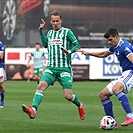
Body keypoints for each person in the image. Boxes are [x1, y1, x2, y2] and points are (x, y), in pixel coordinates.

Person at [22, 10, 86, 120]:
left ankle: (80, 105)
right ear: (50, 21)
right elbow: (46, 44)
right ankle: (33, 110)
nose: (55, 23)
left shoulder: (67, 32)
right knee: (40, 86)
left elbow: (77, 45)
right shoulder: (50, 33)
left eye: (57, 21)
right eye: (53, 21)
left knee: (68, 96)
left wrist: (69, 51)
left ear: (61, 20)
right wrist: (41, 31)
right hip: (51, 67)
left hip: (64, 68)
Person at [78, 27, 133, 127]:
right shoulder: (115, 46)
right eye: (107, 40)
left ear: (116, 37)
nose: (109, 42)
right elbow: (104, 54)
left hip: (131, 73)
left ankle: (130, 116)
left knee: (117, 88)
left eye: (110, 39)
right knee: (103, 94)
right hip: (125, 73)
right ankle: (112, 122)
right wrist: (88, 53)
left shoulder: (124, 47)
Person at [0, 41, 6, 108]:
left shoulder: (0, 44)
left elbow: (1, 56)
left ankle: (2, 100)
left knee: (1, 85)